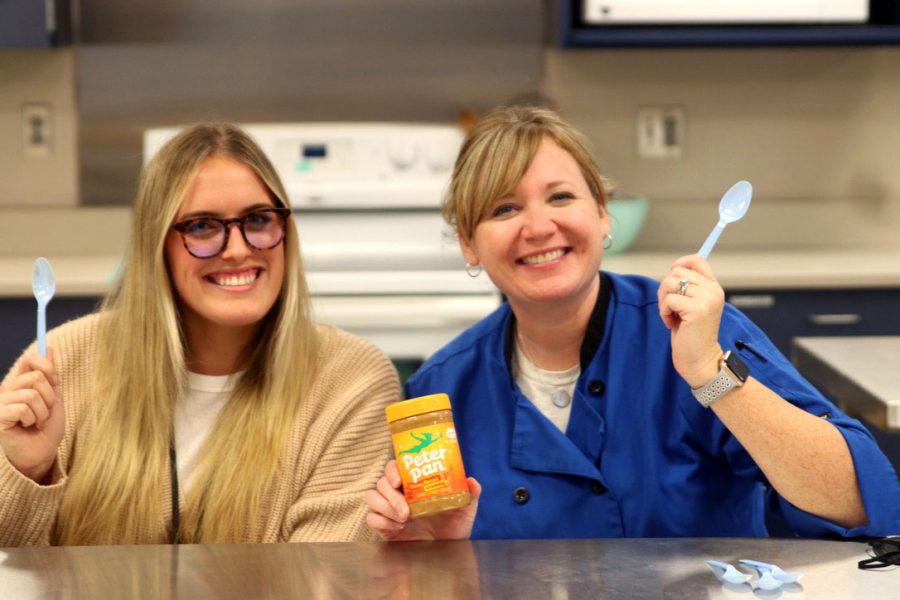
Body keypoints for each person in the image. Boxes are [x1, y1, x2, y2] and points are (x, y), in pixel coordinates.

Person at [365, 105, 900, 541]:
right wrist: (431, 549)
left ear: (602, 216)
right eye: (504, 209)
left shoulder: (691, 331)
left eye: (561, 197)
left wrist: (708, 373)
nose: (538, 225)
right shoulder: (441, 390)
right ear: (468, 243)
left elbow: (864, 505)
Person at [0, 123, 400, 546]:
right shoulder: (65, 360)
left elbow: (326, 580)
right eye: (202, 226)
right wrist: (28, 470)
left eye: (259, 219)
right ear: (157, 246)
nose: (238, 249)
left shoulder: (351, 379)